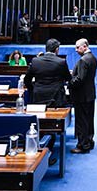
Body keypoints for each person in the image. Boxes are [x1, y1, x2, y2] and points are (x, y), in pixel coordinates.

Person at [25, 38, 71, 166]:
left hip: (38, 97)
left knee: (39, 124)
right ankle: (48, 154)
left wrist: (33, 90)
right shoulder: (61, 62)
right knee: (52, 125)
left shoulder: (35, 61)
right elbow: (68, 78)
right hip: (55, 98)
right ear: (57, 50)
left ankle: (38, 152)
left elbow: (27, 80)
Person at [70, 38, 97, 153]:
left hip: (81, 95)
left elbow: (79, 79)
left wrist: (69, 80)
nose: (76, 50)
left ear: (85, 46)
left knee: (81, 121)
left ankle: (82, 145)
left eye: (78, 47)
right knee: (89, 120)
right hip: (90, 93)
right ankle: (89, 141)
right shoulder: (93, 58)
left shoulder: (83, 60)